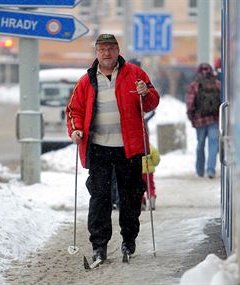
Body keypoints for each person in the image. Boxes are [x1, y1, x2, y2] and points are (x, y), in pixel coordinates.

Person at [65, 34, 160, 262]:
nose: (106, 53)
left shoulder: (135, 74)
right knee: (99, 198)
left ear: (118, 50)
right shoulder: (86, 80)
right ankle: (99, 246)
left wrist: (145, 93)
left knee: (130, 196)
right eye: (102, 49)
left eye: (110, 48)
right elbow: (73, 110)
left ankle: (129, 240)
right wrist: (76, 130)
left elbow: (152, 102)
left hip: (128, 148)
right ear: (96, 53)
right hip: (98, 147)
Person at [186, 63, 221, 178]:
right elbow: (222, 101)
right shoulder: (217, 84)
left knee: (200, 145)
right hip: (214, 119)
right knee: (213, 144)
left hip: (199, 120)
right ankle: (211, 170)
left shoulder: (195, 85)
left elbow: (190, 104)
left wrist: (192, 118)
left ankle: (200, 170)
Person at [141, 144, 160, 211]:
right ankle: (152, 203)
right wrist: (153, 164)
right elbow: (156, 159)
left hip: (138, 171)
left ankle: (141, 203)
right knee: (150, 186)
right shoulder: (150, 147)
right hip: (148, 171)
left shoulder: (136, 147)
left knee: (139, 188)